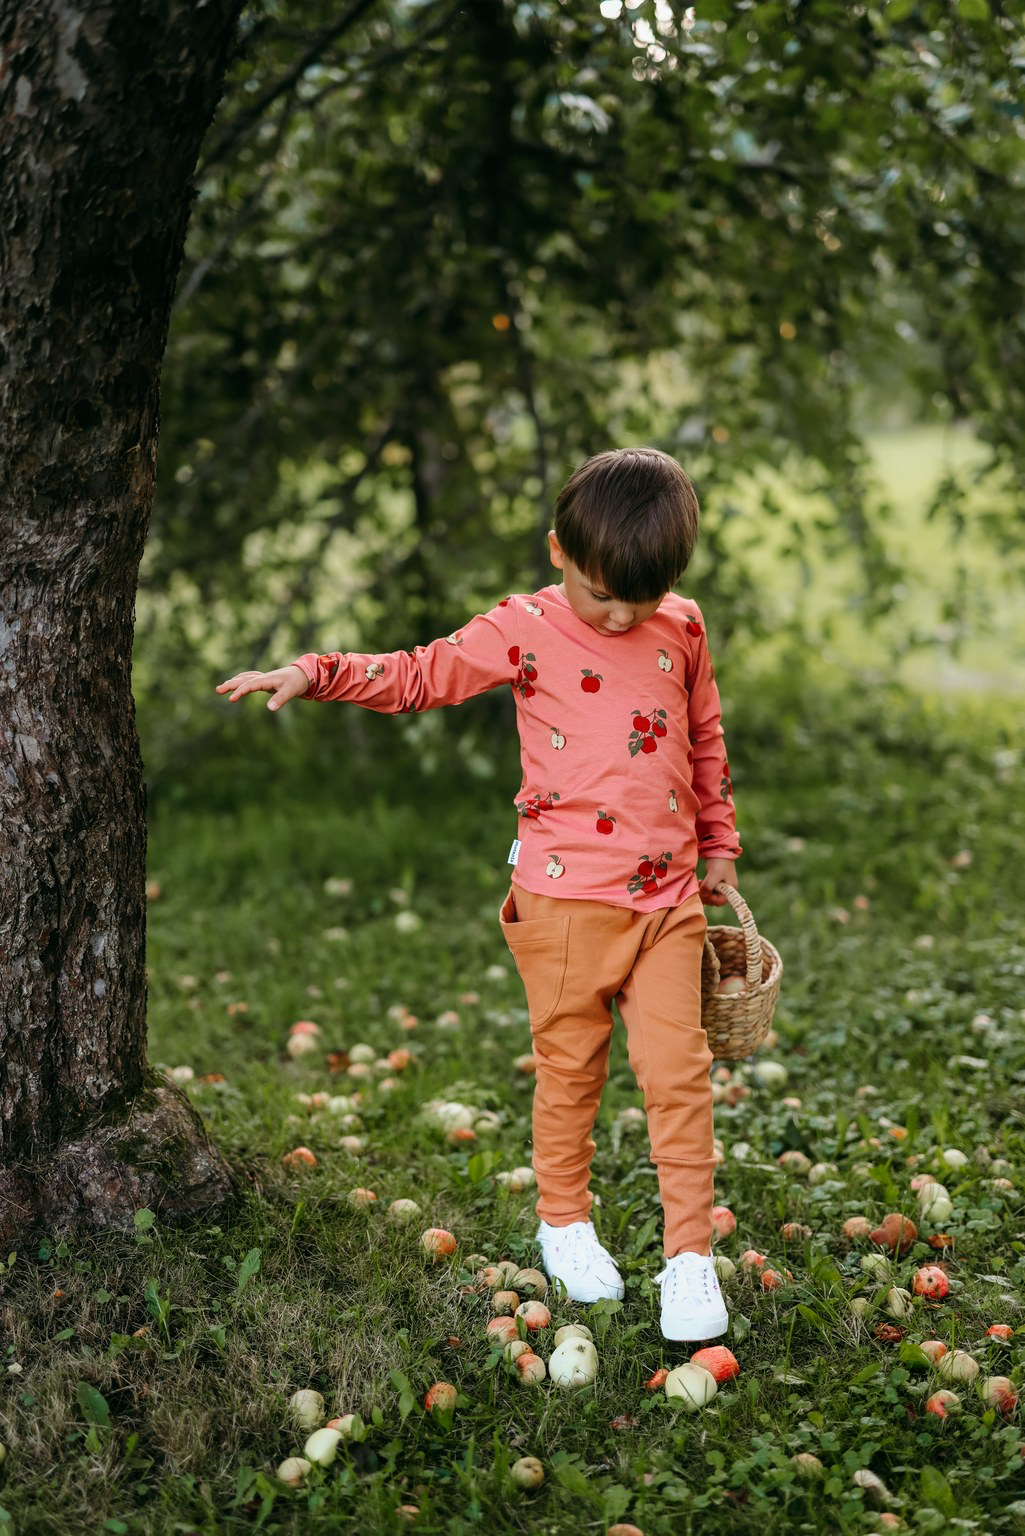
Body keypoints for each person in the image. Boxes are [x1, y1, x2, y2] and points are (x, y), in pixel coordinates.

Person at [215, 446, 741, 1343]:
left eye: (640, 598)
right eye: (600, 593)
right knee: (571, 1072)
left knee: (678, 1079)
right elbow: (418, 674)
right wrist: (315, 672)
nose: (619, 617)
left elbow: (701, 738)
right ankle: (565, 1225)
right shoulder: (524, 627)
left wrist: (719, 844)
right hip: (564, 902)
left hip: (668, 902)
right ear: (556, 554)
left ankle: (688, 1256)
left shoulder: (680, 627)